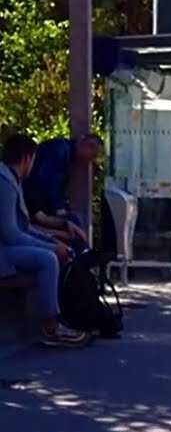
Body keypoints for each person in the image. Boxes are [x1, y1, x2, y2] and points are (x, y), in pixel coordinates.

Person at [0, 134, 89, 347]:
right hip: (3, 252)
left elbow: (25, 227)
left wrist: (54, 240)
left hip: (6, 248)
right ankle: (51, 326)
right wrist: (51, 247)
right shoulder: (4, 184)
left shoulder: (12, 180)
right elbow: (12, 234)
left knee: (56, 253)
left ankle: (66, 315)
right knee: (48, 259)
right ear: (26, 158)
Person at [23, 134, 101, 256]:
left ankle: (82, 256)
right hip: (34, 207)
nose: (91, 160)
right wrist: (58, 208)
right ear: (88, 146)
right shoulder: (59, 151)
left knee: (73, 222)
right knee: (72, 222)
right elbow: (46, 181)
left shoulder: (65, 154)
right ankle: (83, 257)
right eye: (93, 155)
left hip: (39, 208)